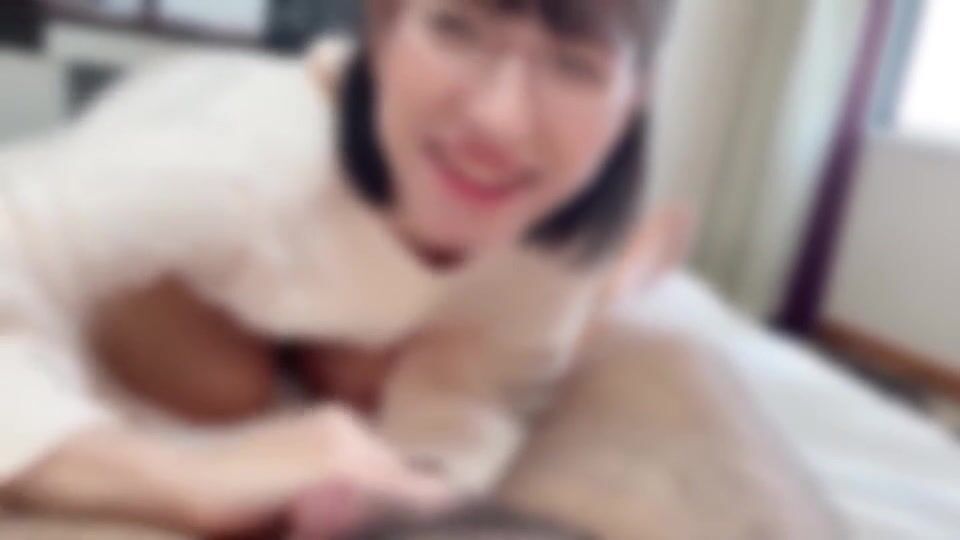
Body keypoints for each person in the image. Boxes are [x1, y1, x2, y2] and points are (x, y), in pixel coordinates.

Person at [0, 1, 837, 538]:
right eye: (457, 28)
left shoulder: (554, 233)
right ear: (384, 27)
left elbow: (478, 394)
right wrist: (184, 481)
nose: (500, 122)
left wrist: (410, 486)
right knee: (215, 390)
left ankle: (632, 268)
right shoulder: (235, 160)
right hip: (196, 243)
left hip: (336, 294)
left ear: (639, 92)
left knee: (371, 383)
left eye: (574, 65)